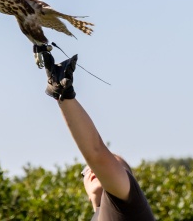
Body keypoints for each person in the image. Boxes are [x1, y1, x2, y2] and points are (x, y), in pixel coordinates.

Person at [43, 51, 156, 220]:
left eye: (113, 161)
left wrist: (64, 95)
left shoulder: (130, 203)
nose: (91, 170)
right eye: (87, 169)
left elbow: (96, 154)